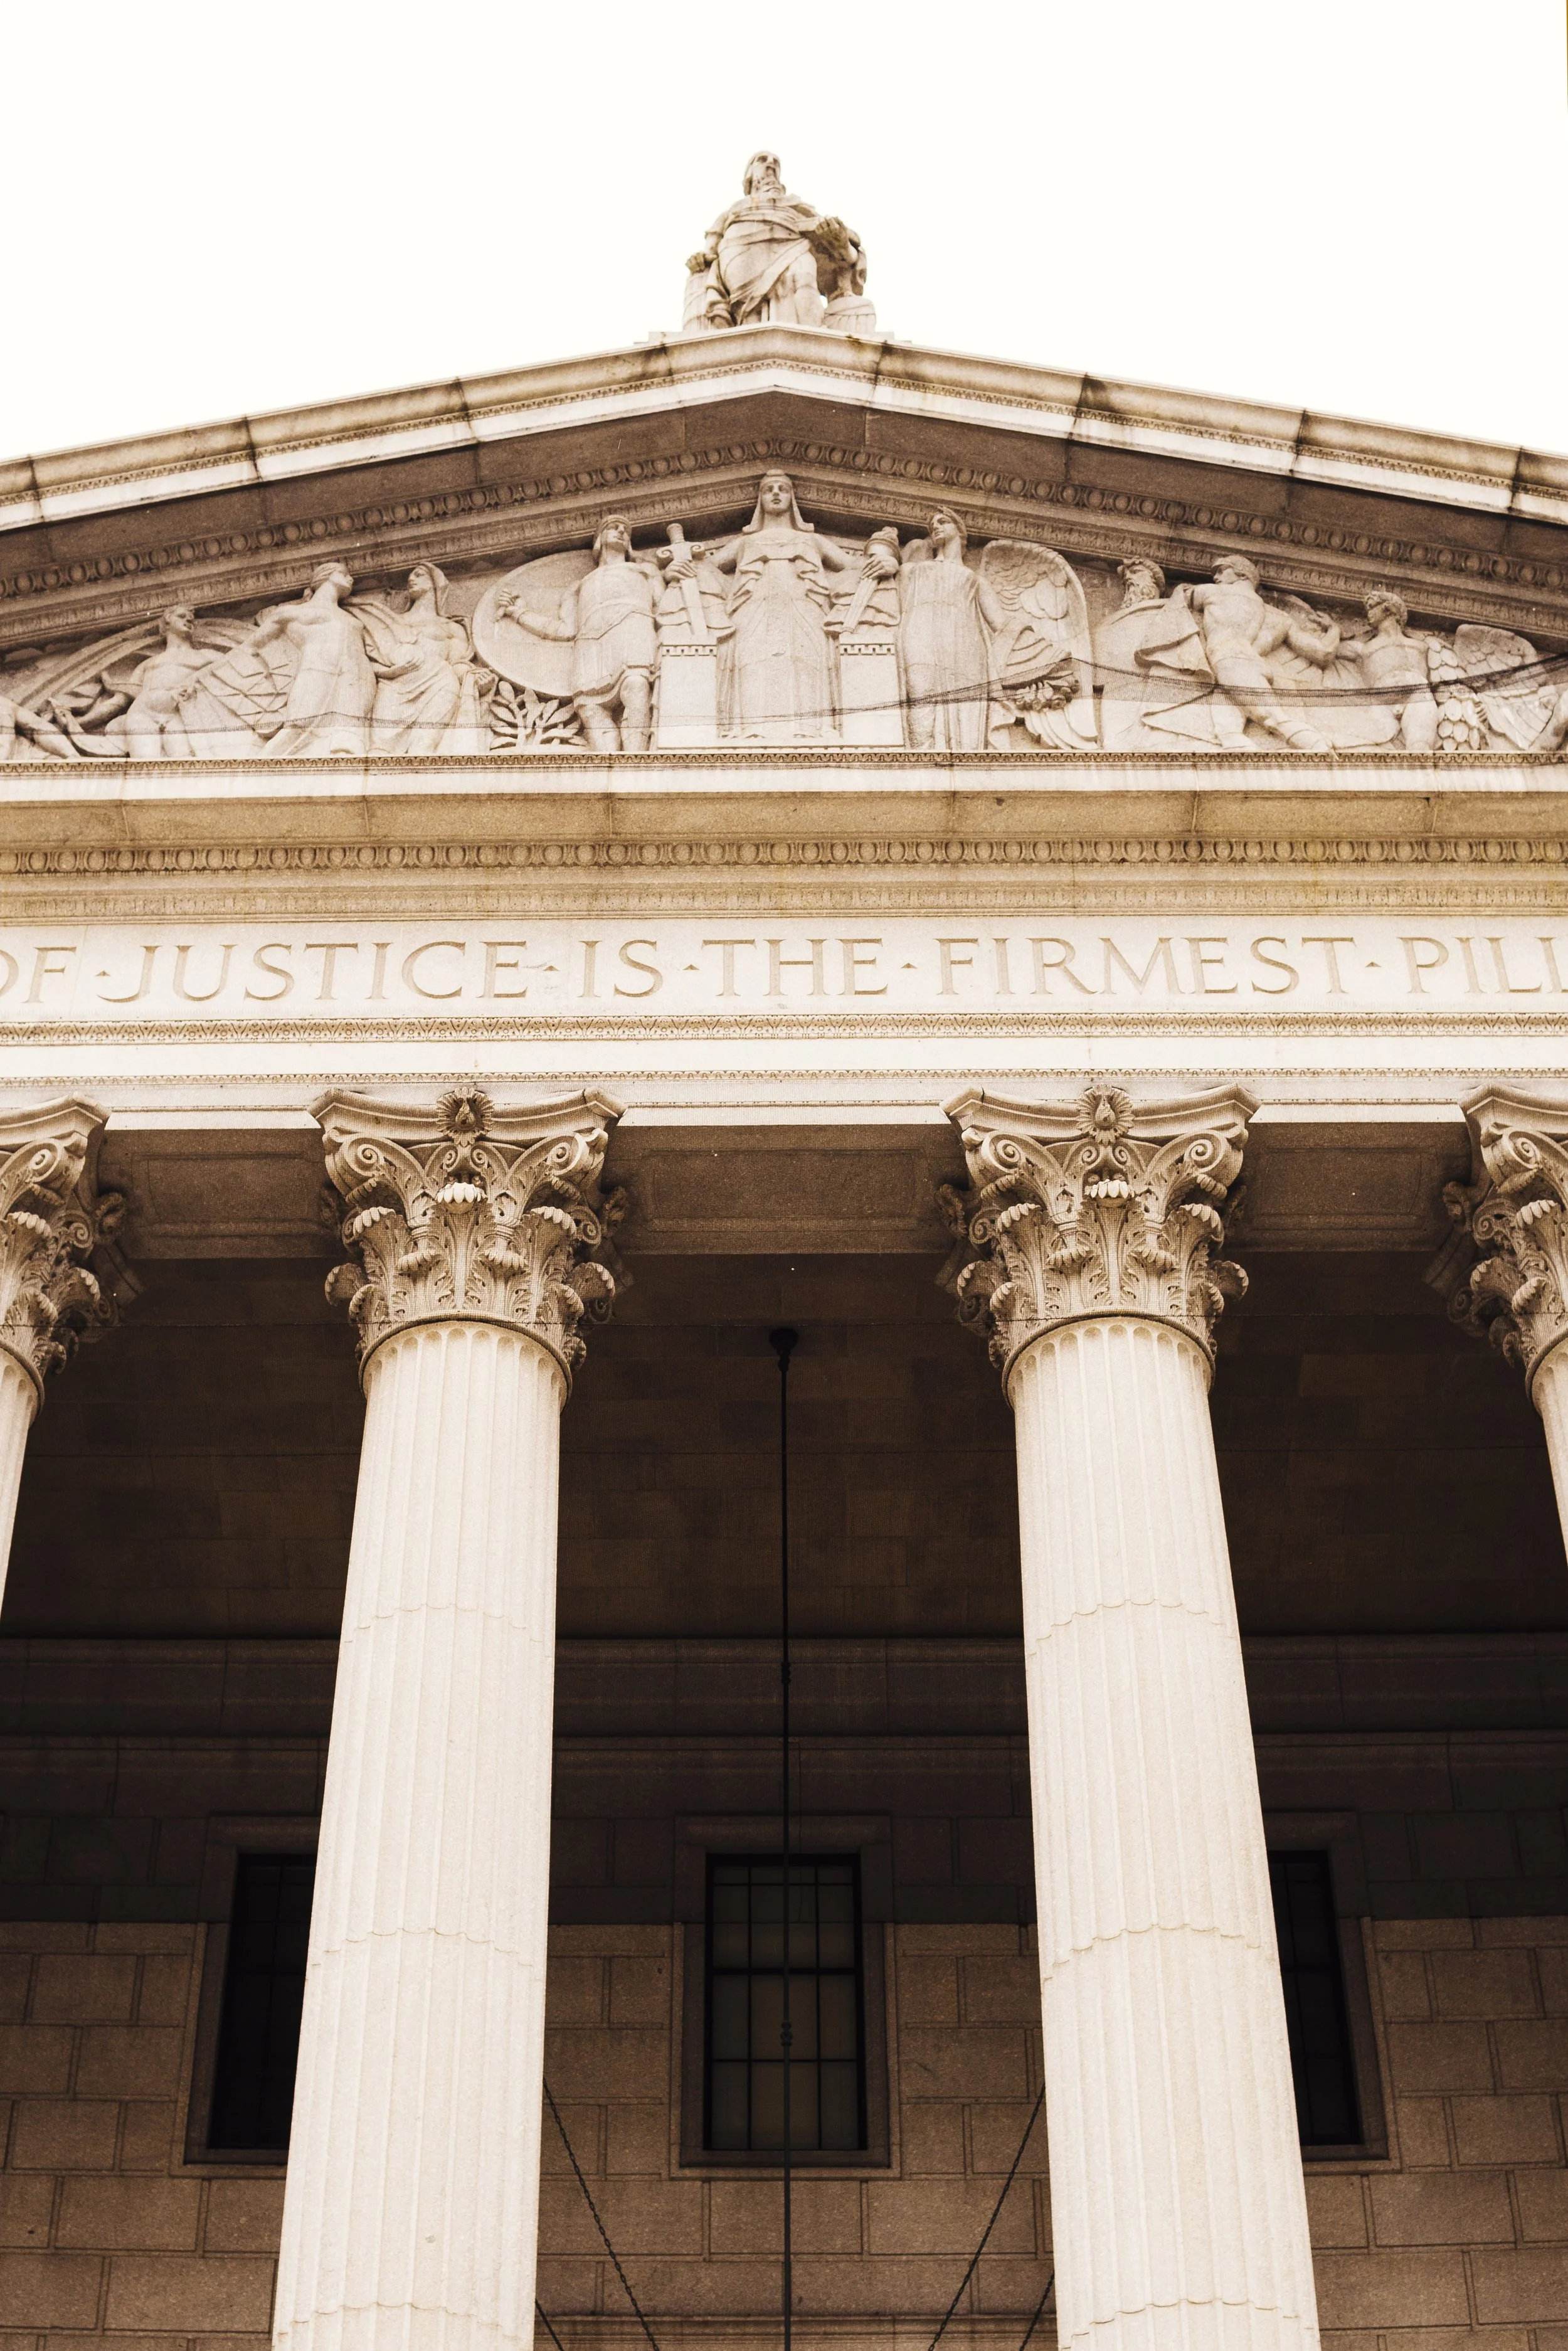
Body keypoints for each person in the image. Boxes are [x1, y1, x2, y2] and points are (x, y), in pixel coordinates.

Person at [688, 472, 861, 743]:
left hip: (805, 608)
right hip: (752, 608)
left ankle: (809, 729)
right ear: (761, 499)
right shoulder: (746, 542)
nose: (777, 494)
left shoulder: (812, 541)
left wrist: (889, 559)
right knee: (751, 663)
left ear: (792, 498)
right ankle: (751, 730)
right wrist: (677, 568)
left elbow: (854, 566)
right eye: (769, 490)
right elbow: (707, 569)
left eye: (783, 489)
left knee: (808, 664)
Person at [500, 517, 658, 752]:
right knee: (589, 707)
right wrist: (521, 613)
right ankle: (608, 771)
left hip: (631, 631)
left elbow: (664, 605)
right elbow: (565, 630)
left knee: (636, 686)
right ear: (599, 539)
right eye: (614, 527)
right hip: (590, 644)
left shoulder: (646, 572)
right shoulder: (579, 586)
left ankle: (636, 759)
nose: (622, 531)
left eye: (626, 530)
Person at [246, 560, 376, 757]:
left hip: (358, 675)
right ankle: (256, 776)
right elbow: (250, 647)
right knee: (299, 724)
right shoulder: (292, 612)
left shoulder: (354, 618)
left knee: (349, 737)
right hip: (317, 671)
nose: (351, 578)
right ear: (327, 575)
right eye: (344, 573)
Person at [355, 565, 489, 756]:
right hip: (394, 685)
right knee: (380, 748)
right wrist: (390, 672)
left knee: (425, 748)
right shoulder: (392, 622)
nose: (411, 579)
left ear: (436, 583)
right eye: (411, 576)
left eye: (419, 575)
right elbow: (367, 661)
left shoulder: (452, 629)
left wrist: (475, 677)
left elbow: (456, 664)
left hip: (440, 683)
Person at [897, 511, 1002, 751]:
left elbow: (1001, 626)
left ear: (960, 530)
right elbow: (898, 611)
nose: (936, 527)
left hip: (965, 647)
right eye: (932, 524)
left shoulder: (975, 580)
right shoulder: (911, 571)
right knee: (920, 697)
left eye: (943, 522)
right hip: (920, 639)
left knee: (965, 714)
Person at [693, 155, 835, 330]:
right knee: (751, 316)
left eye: (776, 162)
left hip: (793, 250)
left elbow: (833, 232)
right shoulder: (733, 211)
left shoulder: (795, 205)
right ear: (749, 175)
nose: (770, 163)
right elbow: (710, 247)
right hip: (742, 263)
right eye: (762, 160)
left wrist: (834, 232)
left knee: (804, 272)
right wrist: (700, 258)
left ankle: (815, 333)